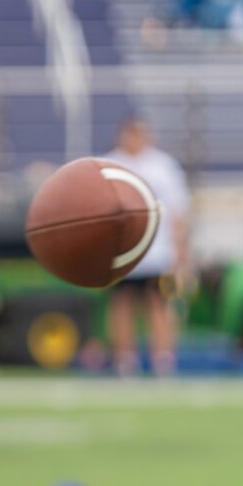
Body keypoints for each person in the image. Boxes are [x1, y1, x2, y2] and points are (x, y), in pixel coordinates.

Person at [103, 116, 191, 377]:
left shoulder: (163, 166)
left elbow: (178, 213)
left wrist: (180, 254)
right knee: (122, 304)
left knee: (160, 304)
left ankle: (163, 360)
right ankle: (124, 360)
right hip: (121, 254)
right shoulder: (108, 164)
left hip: (157, 253)